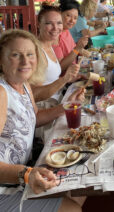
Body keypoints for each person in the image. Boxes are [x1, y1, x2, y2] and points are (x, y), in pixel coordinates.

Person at [0, 29, 85, 212]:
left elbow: (35, 118)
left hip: (22, 172)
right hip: (5, 188)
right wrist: (25, 174)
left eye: (30, 54)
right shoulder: (1, 93)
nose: (25, 61)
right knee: (73, 209)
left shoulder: (24, 85)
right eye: (16, 55)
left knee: (81, 182)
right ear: (1, 59)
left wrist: (67, 106)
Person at [33, 3, 80, 103]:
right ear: (38, 24)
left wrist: (70, 78)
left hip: (60, 98)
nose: (55, 28)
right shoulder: (35, 52)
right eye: (49, 23)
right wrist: (64, 80)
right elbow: (34, 95)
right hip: (46, 107)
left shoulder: (49, 46)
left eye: (59, 23)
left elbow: (51, 80)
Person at [53, 0, 89, 72]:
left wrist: (82, 51)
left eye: (75, 18)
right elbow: (60, 68)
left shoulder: (66, 30)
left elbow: (72, 49)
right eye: (68, 15)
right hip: (64, 80)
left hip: (74, 72)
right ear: (59, 13)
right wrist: (78, 49)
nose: (72, 20)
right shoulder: (55, 36)